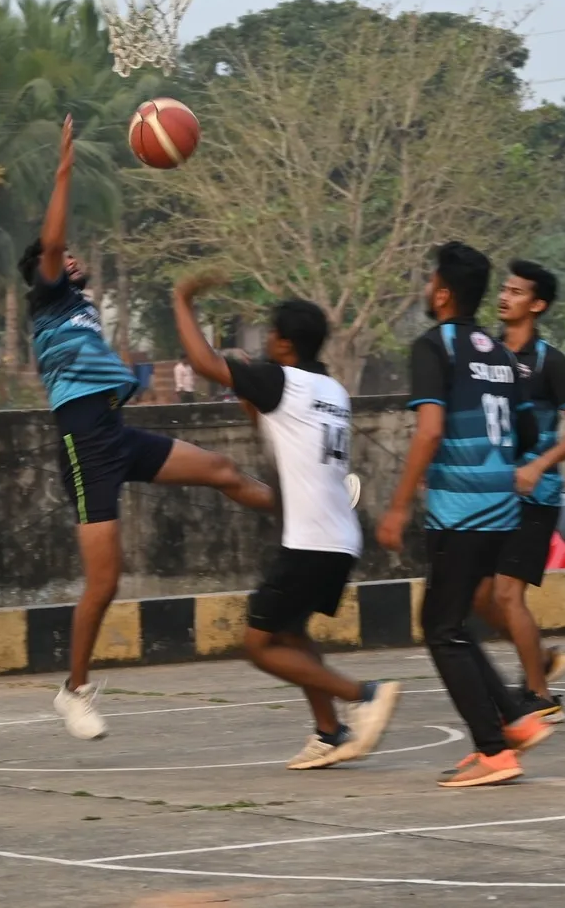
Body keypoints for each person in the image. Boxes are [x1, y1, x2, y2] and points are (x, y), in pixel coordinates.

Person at [25, 116, 276, 740]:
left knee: (221, 470)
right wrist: (64, 168)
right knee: (106, 581)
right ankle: (74, 690)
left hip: (115, 432)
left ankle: (307, 509)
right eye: (62, 256)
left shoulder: (78, 304)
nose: (72, 256)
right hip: (85, 443)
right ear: (44, 271)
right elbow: (52, 242)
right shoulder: (48, 295)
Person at [171, 273, 403, 768]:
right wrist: (249, 392)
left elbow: (202, 362)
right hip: (339, 537)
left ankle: (365, 694)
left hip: (310, 541)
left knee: (258, 645)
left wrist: (182, 300)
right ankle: (329, 732)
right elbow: (275, 430)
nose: (266, 341)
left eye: (271, 334)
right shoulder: (332, 390)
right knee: (292, 634)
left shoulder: (281, 379)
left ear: (284, 342)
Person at [378, 241, 553, 788]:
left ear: (444, 292)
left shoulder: (435, 347)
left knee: (439, 628)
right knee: (452, 623)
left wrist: (399, 505)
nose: (427, 289)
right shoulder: (501, 355)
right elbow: (526, 432)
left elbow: (430, 429)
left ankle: (493, 751)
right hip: (504, 511)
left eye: (430, 281)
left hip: (460, 514)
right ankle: (515, 720)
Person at [477, 258, 565, 721]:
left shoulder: (549, 362)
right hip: (490, 495)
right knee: (479, 597)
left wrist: (539, 466)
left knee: (507, 595)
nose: (505, 297)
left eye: (517, 291)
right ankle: (538, 658)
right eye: (503, 290)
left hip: (536, 495)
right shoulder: (484, 354)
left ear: (538, 304)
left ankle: (542, 697)